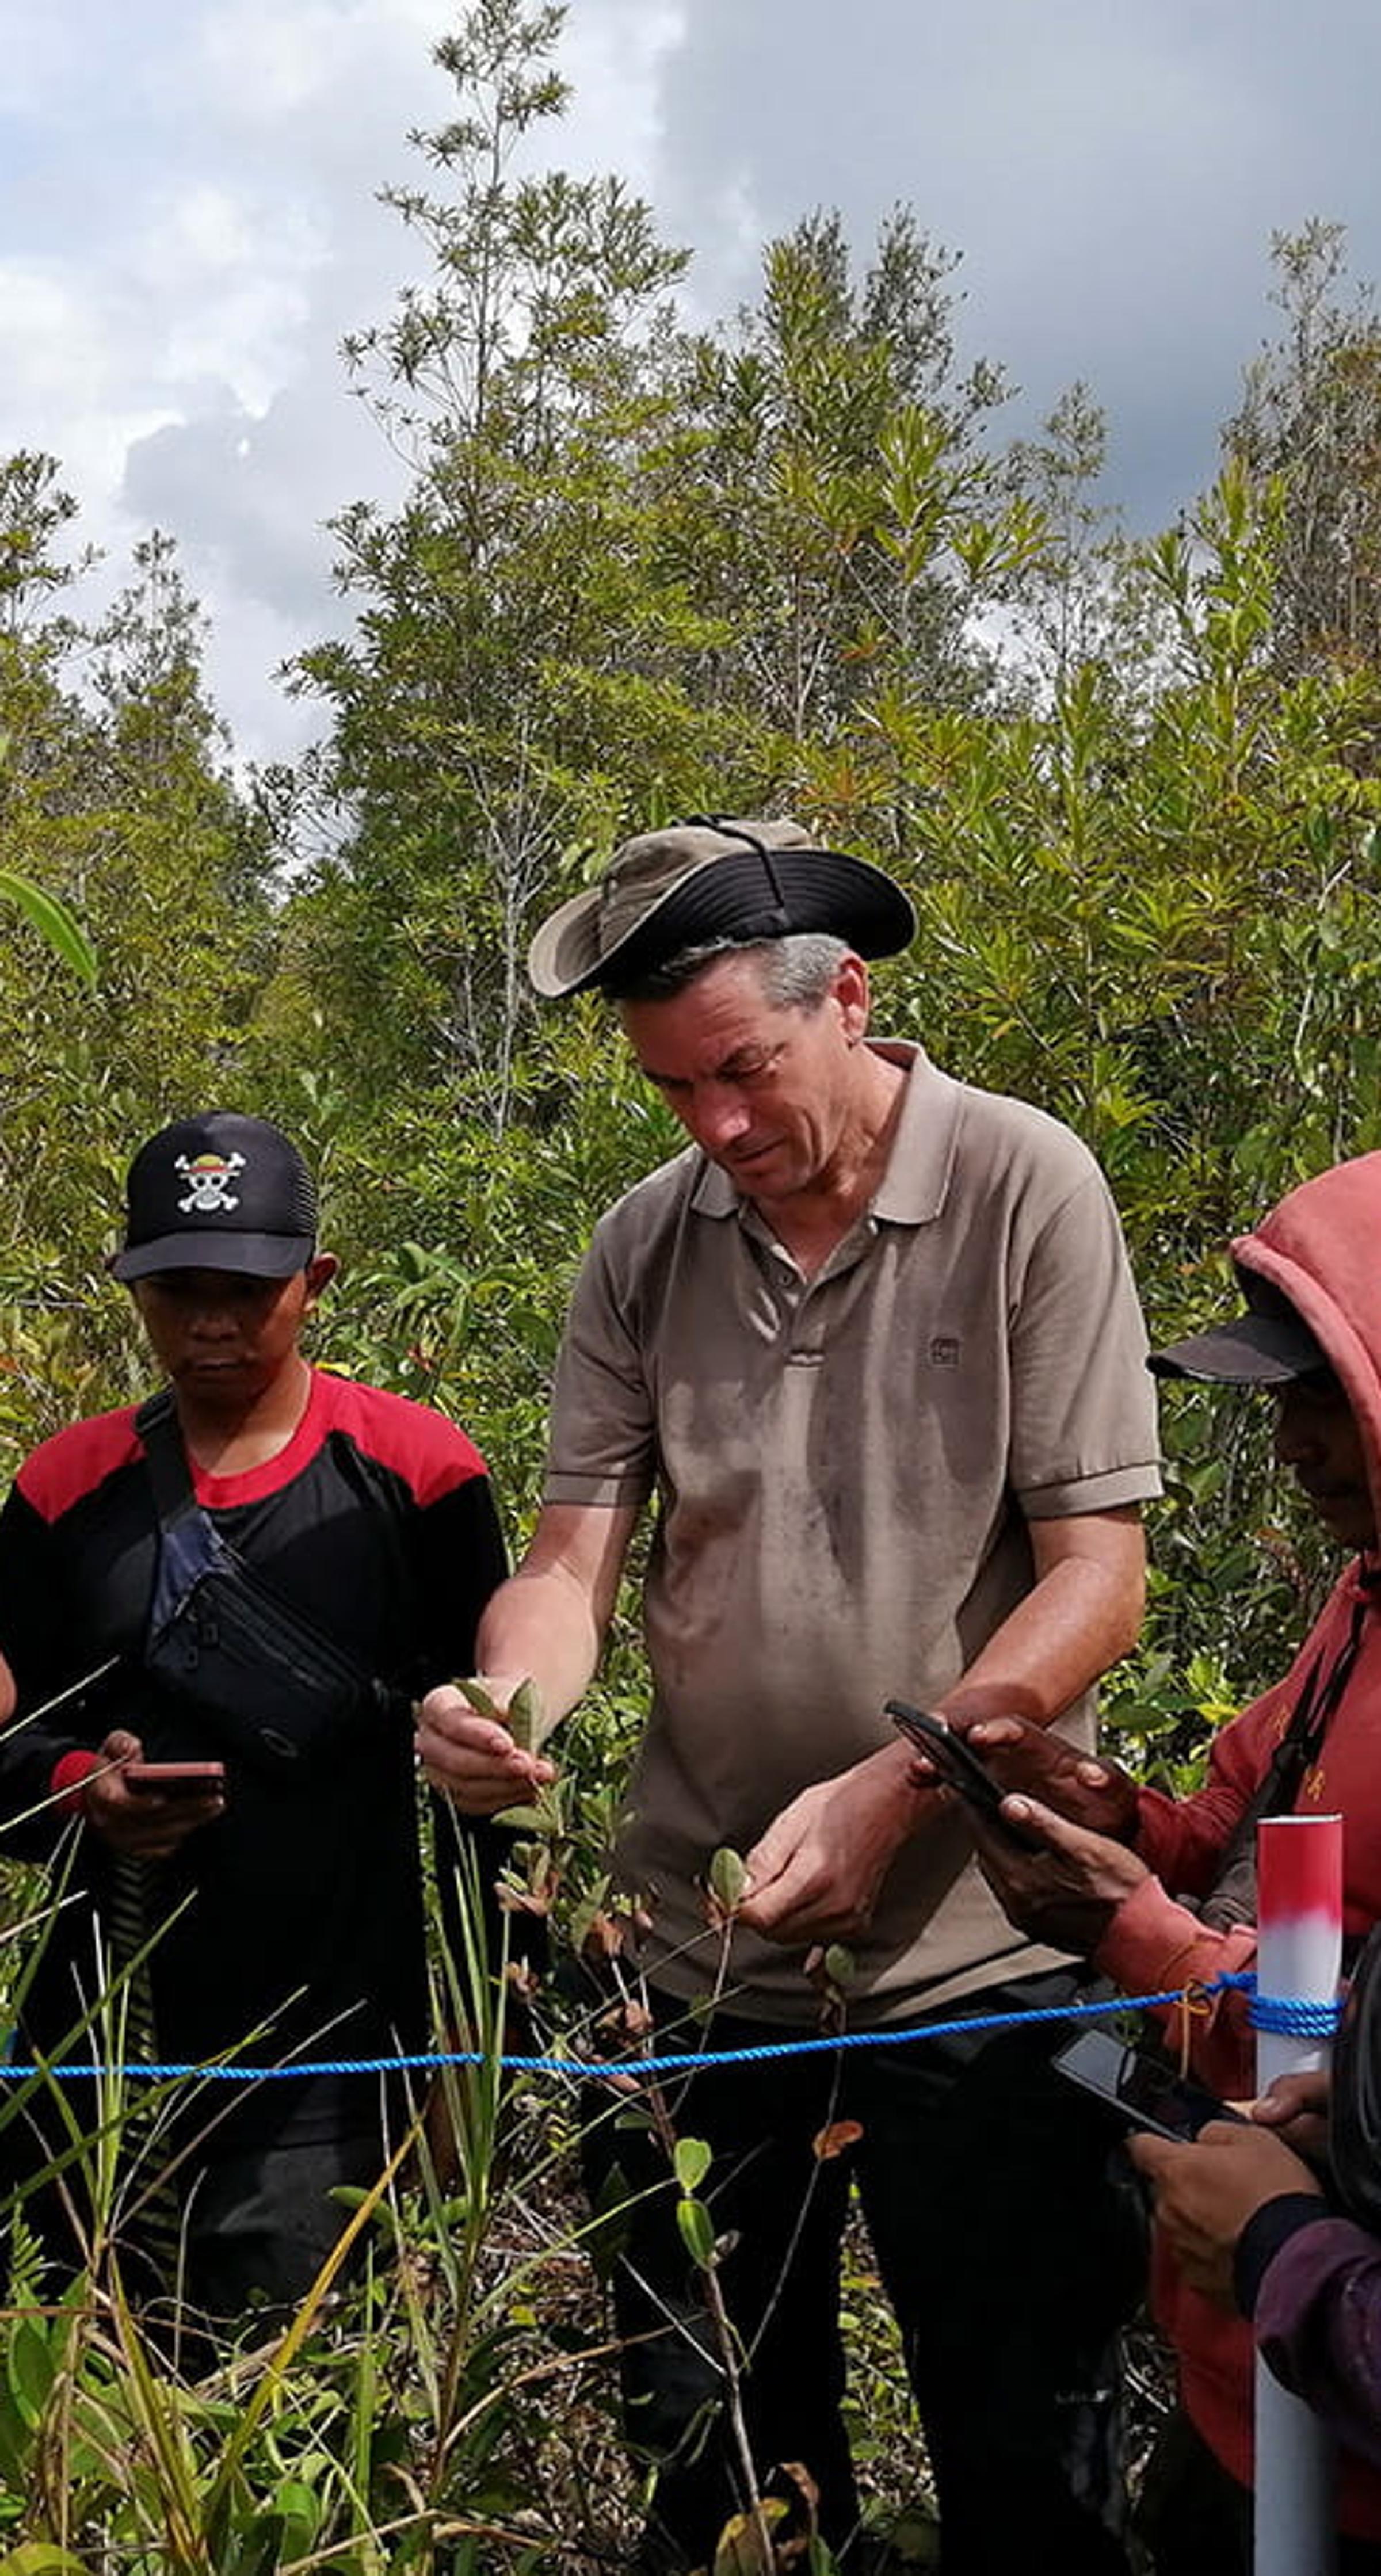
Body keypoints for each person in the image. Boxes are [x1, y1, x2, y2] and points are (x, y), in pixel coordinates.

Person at [418, 816, 1163, 2573]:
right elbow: (571, 1562)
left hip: (982, 1952)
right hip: (697, 1951)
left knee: (1030, 2456)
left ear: (851, 994)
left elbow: (1097, 1577)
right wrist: (506, 1700)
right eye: (675, 1090)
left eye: (743, 1071)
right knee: (723, 2470)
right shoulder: (644, 1243)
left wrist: (897, 1782)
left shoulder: (1021, 1180)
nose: (718, 1127)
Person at [0, 1110, 511, 2334]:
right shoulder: (65, 1486)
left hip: (331, 2055)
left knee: (296, 2404)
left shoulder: (418, 1471)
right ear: (133, 1289)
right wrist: (78, 1786)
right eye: (175, 1292)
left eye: (245, 1289)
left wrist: (486, 2039)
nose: (211, 1325)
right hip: (98, 2040)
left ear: (314, 1283)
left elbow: (491, 1770)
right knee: (82, 2395)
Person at [962, 1148, 1381, 2570]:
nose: (1296, 1449)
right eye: (1284, 1404)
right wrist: (1111, 1810)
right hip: (1256, 2363)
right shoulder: (1363, 1600)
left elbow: (1361, 2036)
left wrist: (1134, 1933)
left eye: (1326, 1397)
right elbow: (1250, 1830)